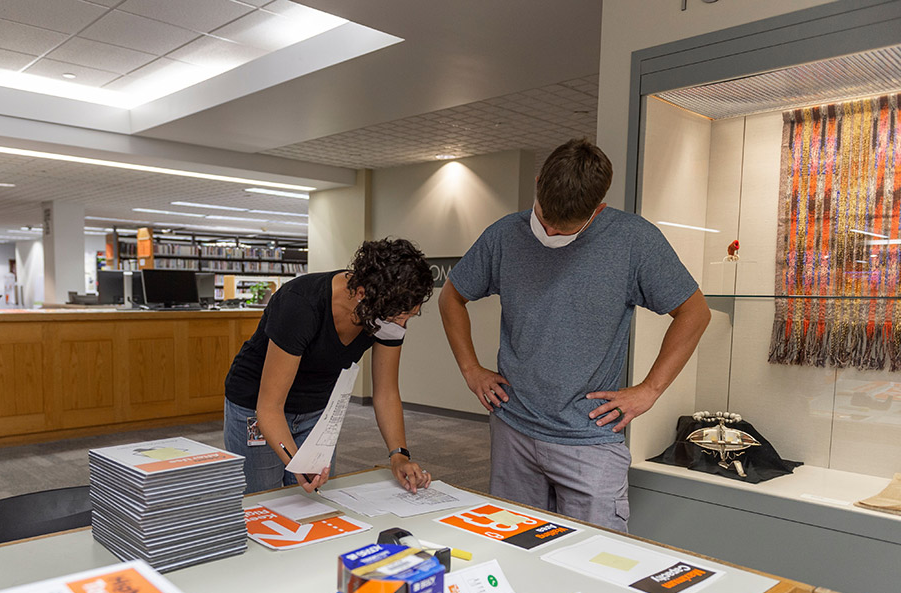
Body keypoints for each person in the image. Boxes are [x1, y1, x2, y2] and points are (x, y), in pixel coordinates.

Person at [439, 138, 711, 532]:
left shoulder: (634, 241)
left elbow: (694, 313)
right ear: (537, 184)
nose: (547, 230)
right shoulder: (503, 236)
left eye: (562, 229)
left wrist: (650, 390)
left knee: (596, 559)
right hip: (514, 429)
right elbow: (452, 296)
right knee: (515, 549)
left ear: (597, 209)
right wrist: (470, 369)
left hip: (589, 439)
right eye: (544, 217)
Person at [223, 237, 435, 495]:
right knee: (263, 500)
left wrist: (398, 454)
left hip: (317, 409)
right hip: (257, 405)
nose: (400, 327)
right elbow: (269, 408)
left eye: (408, 318)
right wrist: (299, 464)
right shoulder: (301, 303)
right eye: (396, 318)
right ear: (361, 295)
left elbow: (386, 392)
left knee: (312, 499)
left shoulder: (387, 311)